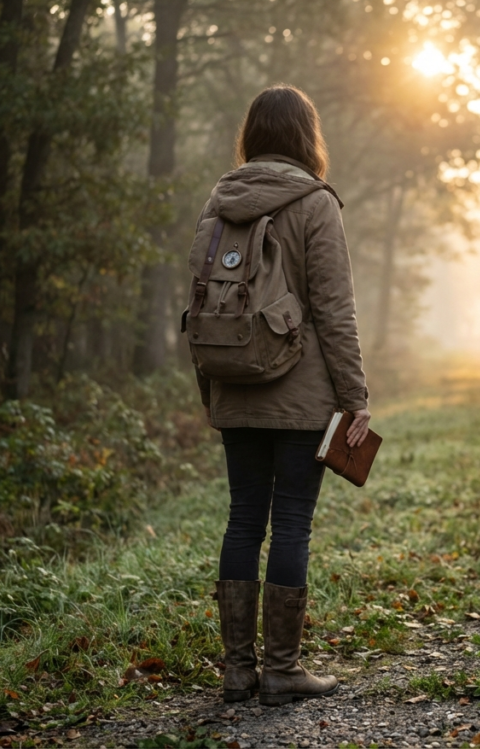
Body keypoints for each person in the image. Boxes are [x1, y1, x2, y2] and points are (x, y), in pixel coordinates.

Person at [191, 85, 370, 707]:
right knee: (292, 521)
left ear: (252, 133)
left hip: (234, 384)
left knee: (244, 519)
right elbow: (335, 310)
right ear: (306, 136)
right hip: (302, 395)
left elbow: (200, 300)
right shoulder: (316, 203)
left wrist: (211, 388)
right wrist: (355, 397)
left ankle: (237, 672)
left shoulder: (219, 201)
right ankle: (282, 671)